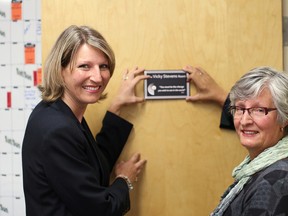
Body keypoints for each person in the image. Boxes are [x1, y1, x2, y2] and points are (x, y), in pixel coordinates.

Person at [22, 25, 148, 216]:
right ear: (60, 70)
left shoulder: (56, 111)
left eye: (103, 66)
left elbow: (91, 164)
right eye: (84, 66)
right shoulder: (58, 129)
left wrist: (116, 107)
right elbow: (101, 210)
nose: (98, 77)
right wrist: (124, 180)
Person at [185, 65, 288, 215]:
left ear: (284, 118)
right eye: (240, 109)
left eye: (259, 110)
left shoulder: (276, 180)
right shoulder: (263, 167)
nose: (245, 120)